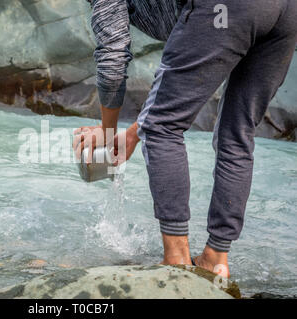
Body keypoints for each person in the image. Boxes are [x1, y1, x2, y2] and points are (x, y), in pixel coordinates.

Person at [73, 0, 297, 277]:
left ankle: (176, 259)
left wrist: (107, 132)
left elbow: (113, 55)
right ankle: (215, 259)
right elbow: (185, 77)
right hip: (286, 11)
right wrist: (132, 134)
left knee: (162, 128)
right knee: (238, 134)